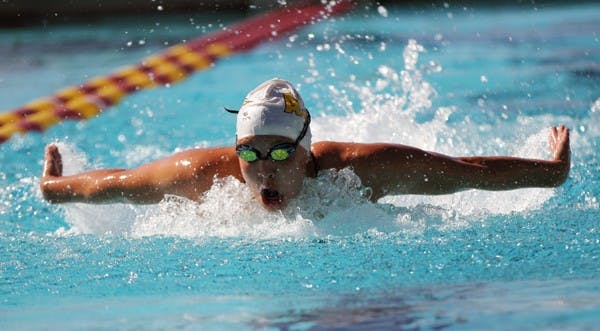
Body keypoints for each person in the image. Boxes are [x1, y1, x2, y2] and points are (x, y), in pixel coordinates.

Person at [40, 78, 571, 211]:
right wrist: (55, 186)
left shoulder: (362, 171)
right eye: (250, 153)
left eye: (278, 152)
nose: (263, 169)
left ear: (306, 148)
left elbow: (467, 172)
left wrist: (552, 171)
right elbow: (117, 184)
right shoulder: (204, 176)